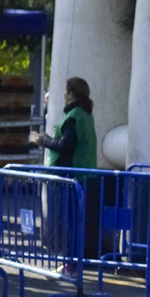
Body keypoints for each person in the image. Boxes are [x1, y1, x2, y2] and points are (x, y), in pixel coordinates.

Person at [36, 77, 98, 277]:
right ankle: (72, 264)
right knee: (77, 223)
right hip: (86, 175)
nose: (63, 95)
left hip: (74, 176)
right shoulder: (86, 115)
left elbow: (66, 145)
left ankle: (71, 266)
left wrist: (45, 141)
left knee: (72, 224)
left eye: (66, 91)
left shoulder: (73, 116)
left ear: (72, 93)